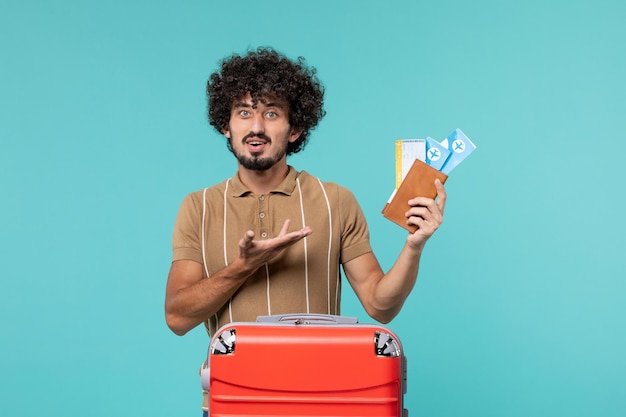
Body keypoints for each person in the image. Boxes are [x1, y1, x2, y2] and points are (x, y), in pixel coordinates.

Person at [164, 47, 446, 414]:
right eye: (244, 112)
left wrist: (414, 246)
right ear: (226, 124)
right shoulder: (197, 207)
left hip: (323, 401)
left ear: (295, 129)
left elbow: (381, 305)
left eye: (271, 113)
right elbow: (177, 317)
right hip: (233, 401)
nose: (256, 127)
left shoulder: (336, 200)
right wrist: (243, 266)